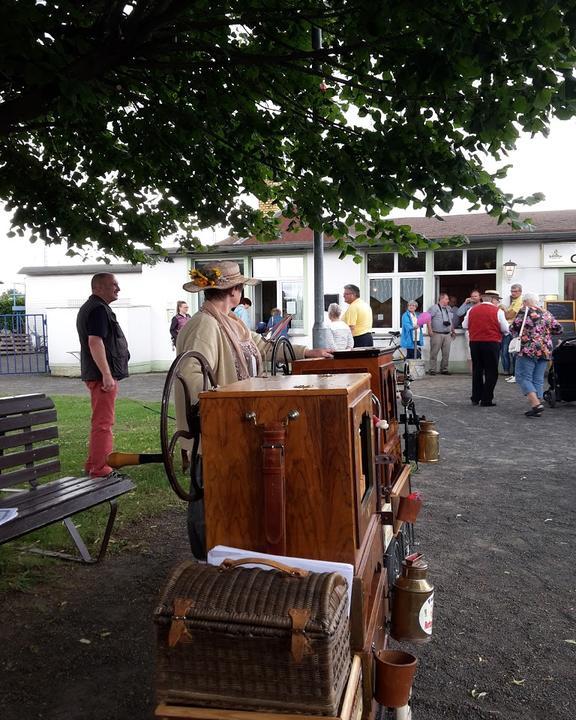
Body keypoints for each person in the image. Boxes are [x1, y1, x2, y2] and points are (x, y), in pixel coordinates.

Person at [174, 260, 331, 557]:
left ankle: (232, 552)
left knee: (232, 495)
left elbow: (262, 346)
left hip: (235, 424)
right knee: (210, 497)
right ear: (233, 291)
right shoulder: (204, 325)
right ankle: (208, 558)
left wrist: (307, 353)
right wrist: (218, 409)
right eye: (240, 288)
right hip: (215, 430)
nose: (241, 292)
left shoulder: (231, 322)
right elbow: (191, 376)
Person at [76, 273, 130, 478]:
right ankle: (101, 468)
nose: (118, 289)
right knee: (103, 424)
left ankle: (93, 463)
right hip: (101, 378)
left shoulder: (95, 307)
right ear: (98, 288)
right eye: (113, 285)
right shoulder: (98, 309)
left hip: (99, 375)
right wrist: (106, 375)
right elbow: (95, 342)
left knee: (100, 421)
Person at [509, 291, 563, 417]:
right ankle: (537, 404)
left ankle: (535, 404)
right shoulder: (546, 312)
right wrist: (544, 334)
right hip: (545, 349)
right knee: (537, 379)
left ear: (526, 301)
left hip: (529, 348)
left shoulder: (525, 311)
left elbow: (513, 328)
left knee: (522, 376)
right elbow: (559, 329)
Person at [462, 290, 509, 407]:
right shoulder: (498, 311)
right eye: (497, 300)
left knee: (477, 370)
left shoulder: (471, 310)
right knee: (491, 371)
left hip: (475, 342)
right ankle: (486, 399)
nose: (498, 302)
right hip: (491, 342)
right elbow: (505, 329)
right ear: (493, 300)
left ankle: (475, 397)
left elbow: (464, 325)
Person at [426, 293, 455, 375]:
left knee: (446, 353)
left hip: (447, 334)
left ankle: (444, 369)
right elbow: (428, 319)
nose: (448, 301)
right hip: (436, 333)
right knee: (434, 352)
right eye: (447, 299)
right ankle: (432, 369)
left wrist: (453, 330)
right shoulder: (434, 308)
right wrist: (429, 330)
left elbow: (450, 321)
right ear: (441, 299)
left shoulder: (448, 308)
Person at [501, 283, 523, 382]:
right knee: (507, 351)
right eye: (512, 291)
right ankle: (512, 373)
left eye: (515, 291)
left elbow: (510, 315)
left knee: (514, 352)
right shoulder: (514, 301)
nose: (513, 293)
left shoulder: (519, 301)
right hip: (509, 329)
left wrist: (504, 310)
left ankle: (516, 375)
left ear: (520, 292)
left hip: (514, 330)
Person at [457, 290, 482, 370]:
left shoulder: (482, 306)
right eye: (472, 296)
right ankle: (472, 370)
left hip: (481, 331)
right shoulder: (468, 306)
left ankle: (481, 369)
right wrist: (465, 303)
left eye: (475, 296)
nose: (473, 298)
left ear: (480, 297)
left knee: (481, 351)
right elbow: (458, 313)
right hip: (469, 331)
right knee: (470, 350)